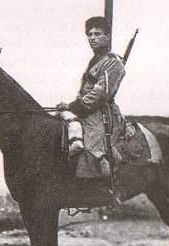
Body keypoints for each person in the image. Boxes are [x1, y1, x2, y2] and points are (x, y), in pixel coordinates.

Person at [58, 16, 125, 178]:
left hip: (100, 113)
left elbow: (100, 93)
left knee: (91, 147)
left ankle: (98, 185)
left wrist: (73, 106)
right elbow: (85, 90)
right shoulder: (96, 60)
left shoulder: (113, 62)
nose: (93, 38)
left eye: (97, 34)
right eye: (90, 34)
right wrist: (70, 105)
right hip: (87, 108)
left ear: (107, 36)